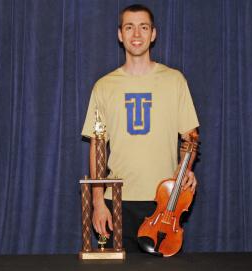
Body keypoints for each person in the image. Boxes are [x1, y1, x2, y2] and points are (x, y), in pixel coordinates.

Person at [82, 3, 199, 252]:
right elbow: (97, 146)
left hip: (164, 204)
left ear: (153, 34)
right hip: (116, 200)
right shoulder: (104, 86)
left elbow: (191, 138)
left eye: (143, 27)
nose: (136, 34)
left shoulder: (175, 81)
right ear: (120, 34)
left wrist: (184, 169)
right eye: (129, 27)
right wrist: (97, 201)